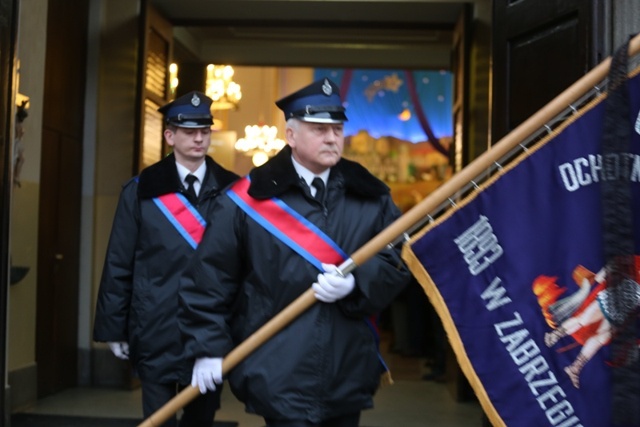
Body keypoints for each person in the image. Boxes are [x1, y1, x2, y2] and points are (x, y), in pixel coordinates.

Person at [178, 77, 412, 427]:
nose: (332, 137)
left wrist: (357, 284)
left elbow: (398, 260)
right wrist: (206, 347)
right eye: (319, 129)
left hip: (346, 368)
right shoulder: (246, 200)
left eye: (337, 128)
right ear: (290, 135)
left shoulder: (371, 195)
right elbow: (210, 279)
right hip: (276, 368)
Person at [93, 91, 239, 427]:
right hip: (154, 324)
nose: (199, 137)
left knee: (201, 418)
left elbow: (242, 266)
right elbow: (120, 260)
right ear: (170, 136)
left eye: (205, 130)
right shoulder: (141, 189)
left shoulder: (232, 190)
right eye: (189, 131)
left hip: (209, 330)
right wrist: (114, 326)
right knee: (158, 420)